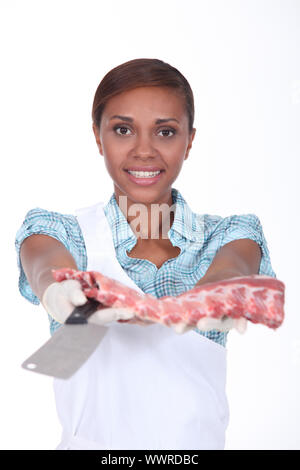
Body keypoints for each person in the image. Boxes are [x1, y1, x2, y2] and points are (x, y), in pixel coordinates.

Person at [15, 58, 276, 450]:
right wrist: (59, 289)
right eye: (123, 130)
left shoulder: (228, 234)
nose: (143, 151)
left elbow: (232, 267)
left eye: (166, 132)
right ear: (98, 137)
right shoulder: (67, 234)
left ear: (189, 140)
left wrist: (215, 295)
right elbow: (46, 261)